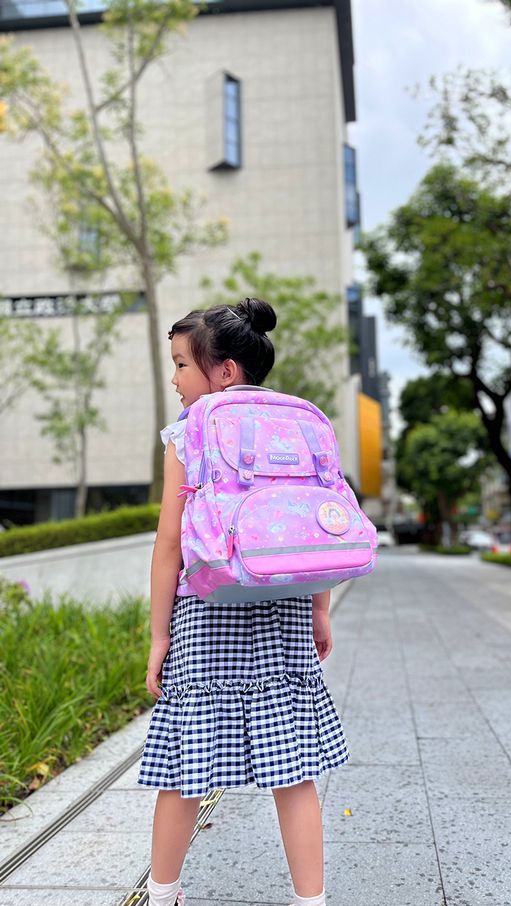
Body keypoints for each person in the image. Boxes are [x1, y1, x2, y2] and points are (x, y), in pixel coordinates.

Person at [137, 298, 349, 906]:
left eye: (181, 364)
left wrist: (159, 638)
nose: (175, 379)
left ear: (223, 371)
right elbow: (314, 528)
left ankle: (163, 893)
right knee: (295, 771)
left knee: (184, 766)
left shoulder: (188, 432)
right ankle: (311, 901)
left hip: (207, 614)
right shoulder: (297, 424)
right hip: (281, 607)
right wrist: (320, 607)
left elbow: (169, 544)